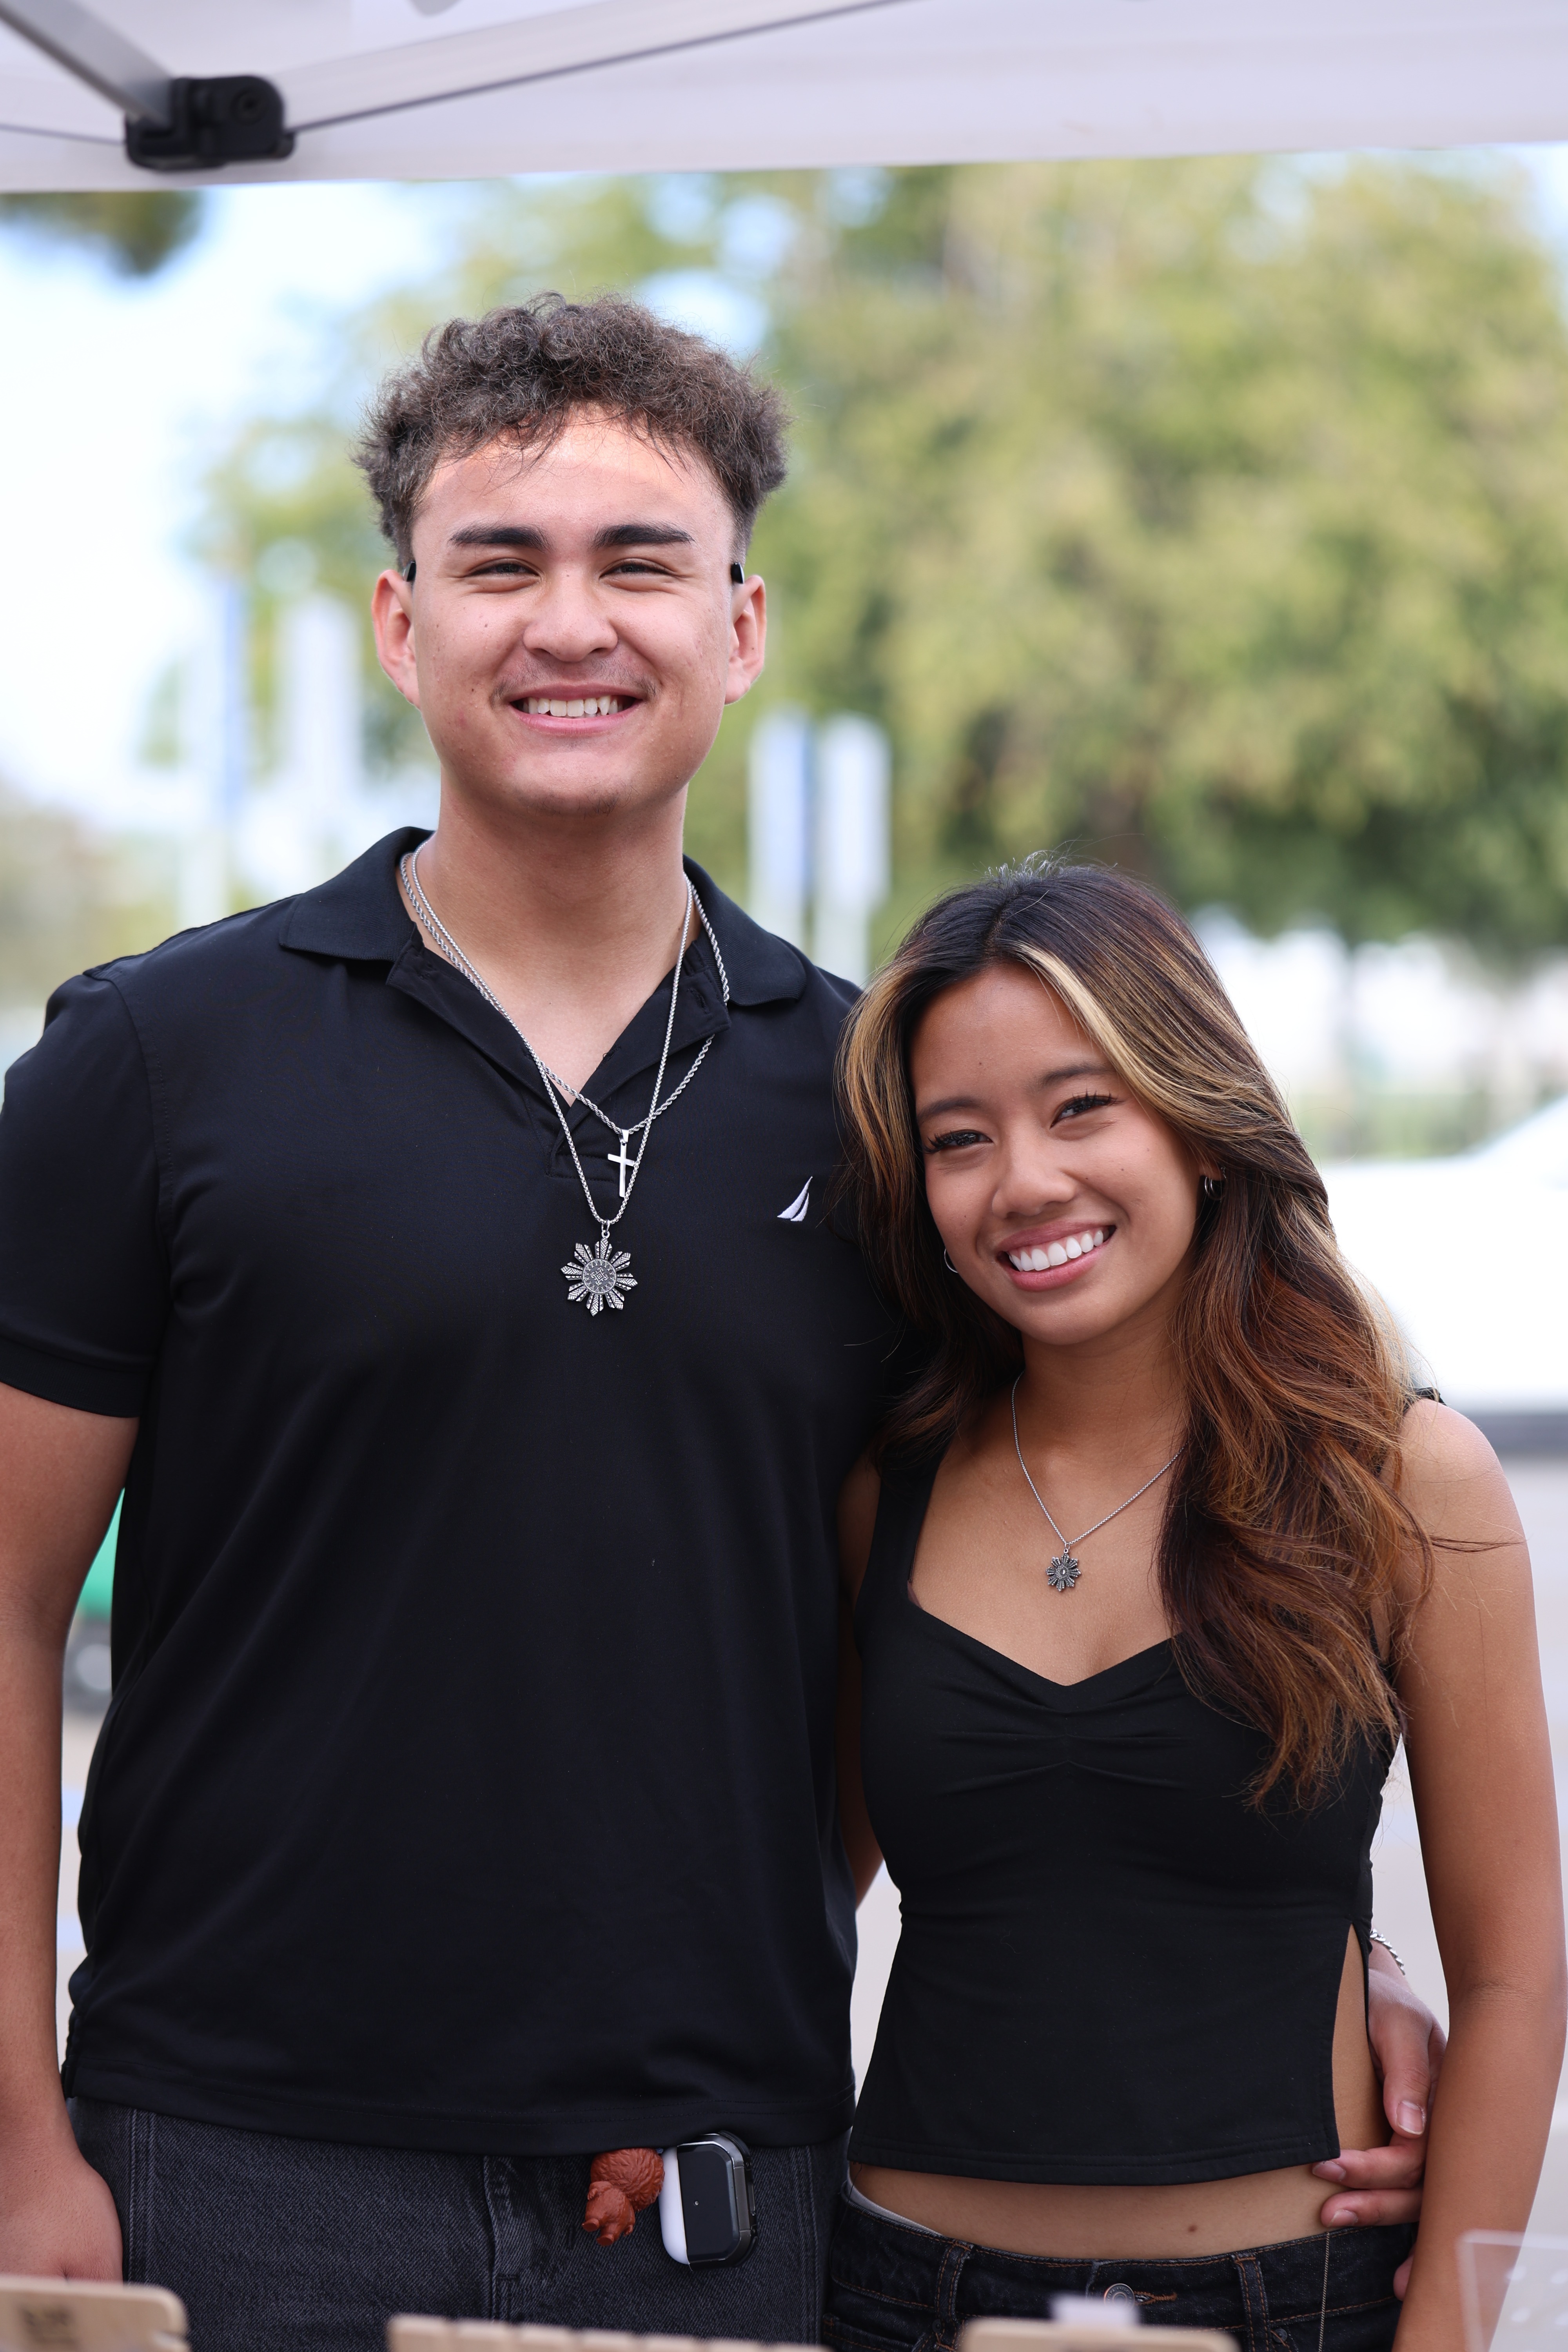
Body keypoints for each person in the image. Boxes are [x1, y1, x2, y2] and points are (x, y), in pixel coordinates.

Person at [0, 298, 1435, 2352]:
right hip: (221, 2170)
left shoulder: (884, 1116)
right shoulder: (154, 1060)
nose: (568, 621)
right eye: (502, 562)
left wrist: (1305, 1965)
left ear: (740, 627)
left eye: (638, 561)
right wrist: (12, 2130)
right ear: (401, 626)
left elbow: (1058, 1561)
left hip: (713, 2194)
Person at [823, 860, 1565, 2352]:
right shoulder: (877, 1487)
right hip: (901, 2299)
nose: (1025, 1181)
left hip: (1292, 2308)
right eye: (960, 1140)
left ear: (1202, 1122)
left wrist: (1455, 2328)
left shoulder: (1404, 1481)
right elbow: (800, 1906)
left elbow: (1512, 1970)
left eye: (1081, 1106)